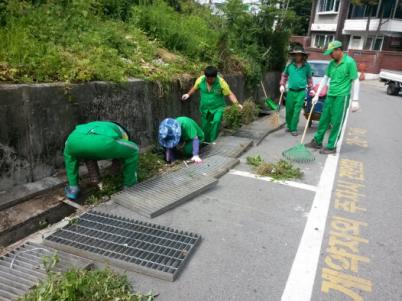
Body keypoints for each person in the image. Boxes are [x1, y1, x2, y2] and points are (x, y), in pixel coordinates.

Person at [306, 40, 360, 154]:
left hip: (342, 96)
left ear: (339, 50)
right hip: (330, 95)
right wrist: (316, 94)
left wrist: (355, 100)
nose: (330, 55)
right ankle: (317, 141)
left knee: (336, 122)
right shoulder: (331, 63)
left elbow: (355, 80)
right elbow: (325, 79)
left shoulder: (350, 62)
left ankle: (331, 146)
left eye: (332, 52)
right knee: (324, 119)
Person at [63, 121, 139, 200]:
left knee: (75, 156)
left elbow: (71, 161)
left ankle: (73, 189)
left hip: (72, 141)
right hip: (102, 143)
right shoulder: (123, 133)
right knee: (133, 149)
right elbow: (124, 149)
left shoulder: (97, 124)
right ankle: (130, 184)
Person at [182, 66, 242, 142]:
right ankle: (206, 143)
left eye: (211, 79)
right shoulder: (200, 80)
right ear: (205, 76)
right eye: (208, 78)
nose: (209, 80)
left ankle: (213, 142)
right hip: (205, 109)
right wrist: (188, 94)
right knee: (205, 127)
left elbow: (230, 94)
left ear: (215, 77)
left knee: (216, 121)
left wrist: (237, 104)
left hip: (218, 108)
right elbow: (195, 88)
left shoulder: (221, 82)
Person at [279, 46, 313, 136]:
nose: (298, 56)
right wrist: (282, 85)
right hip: (291, 91)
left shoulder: (306, 66)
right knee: (289, 110)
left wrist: (311, 89)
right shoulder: (289, 65)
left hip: (301, 92)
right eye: (296, 55)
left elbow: (309, 78)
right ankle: (289, 126)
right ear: (294, 55)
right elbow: (284, 75)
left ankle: (294, 128)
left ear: (302, 56)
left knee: (297, 111)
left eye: (299, 55)